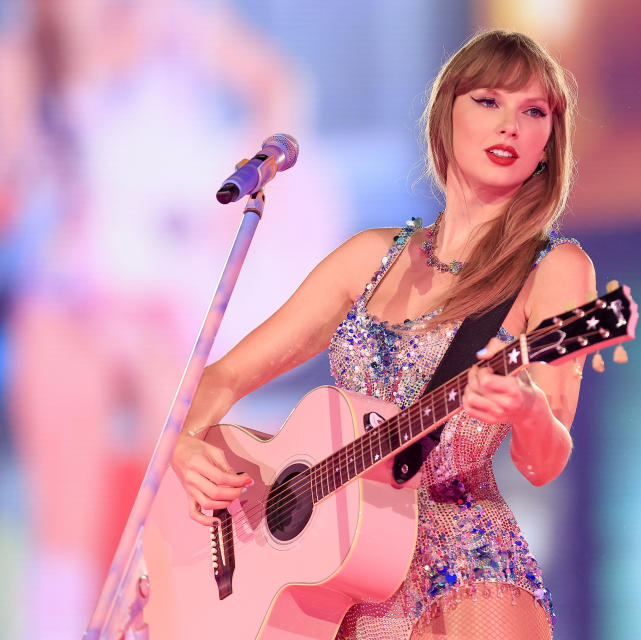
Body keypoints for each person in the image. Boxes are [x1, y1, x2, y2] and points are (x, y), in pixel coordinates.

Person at [171, 29, 595, 639]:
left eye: (533, 112)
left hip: (466, 572)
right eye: (488, 101)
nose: (511, 125)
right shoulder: (366, 258)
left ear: (547, 146)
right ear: (443, 117)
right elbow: (224, 376)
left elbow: (545, 461)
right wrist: (186, 443)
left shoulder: (553, 270)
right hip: (340, 583)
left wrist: (528, 411)